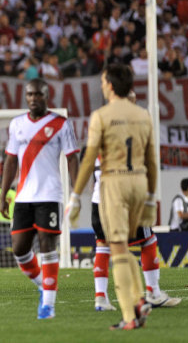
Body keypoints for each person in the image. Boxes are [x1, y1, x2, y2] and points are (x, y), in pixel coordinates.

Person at [66, 63, 157, 330]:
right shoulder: (143, 115)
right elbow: (152, 161)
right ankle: (140, 300)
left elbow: (88, 161)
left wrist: (75, 196)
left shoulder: (102, 116)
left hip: (114, 185)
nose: (102, 85)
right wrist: (151, 197)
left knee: (115, 248)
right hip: (139, 183)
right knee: (129, 245)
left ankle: (130, 316)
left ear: (111, 84)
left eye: (104, 81)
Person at [0, 78, 79, 320]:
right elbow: (11, 160)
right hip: (23, 196)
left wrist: (76, 193)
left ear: (46, 96)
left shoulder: (61, 124)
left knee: (47, 246)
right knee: (19, 249)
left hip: (50, 195)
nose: (33, 98)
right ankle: (43, 284)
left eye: (38, 94)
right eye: (30, 94)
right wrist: (4, 194)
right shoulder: (17, 124)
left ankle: (48, 305)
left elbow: (73, 158)